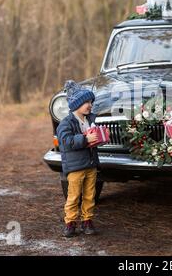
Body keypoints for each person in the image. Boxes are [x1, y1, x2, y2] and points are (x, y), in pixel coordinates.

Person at [56, 80, 100, 237]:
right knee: (74, 196)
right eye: (86, 102)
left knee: (89, 195)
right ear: (75, 105)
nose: (89, 105)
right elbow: (66, 141)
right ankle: (70, 222)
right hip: (75, 167)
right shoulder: (65, 124)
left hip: (90, 164)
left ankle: (87, 220)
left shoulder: (91, 120)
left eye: (90, 101)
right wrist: (86, 139)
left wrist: (100, 137)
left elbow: (94, 137)